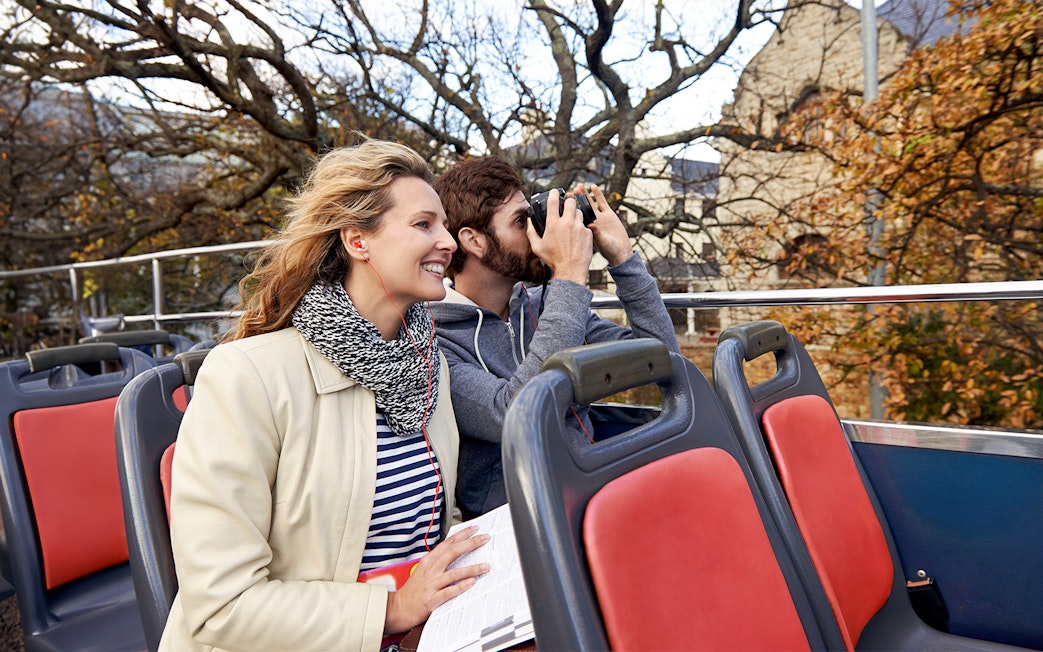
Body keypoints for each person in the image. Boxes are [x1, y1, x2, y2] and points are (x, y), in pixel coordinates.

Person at [161, 140, 490, 652]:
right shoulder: (246, 375)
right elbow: (222, 606)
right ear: (358, 241)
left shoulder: (429, 364)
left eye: (445, 225)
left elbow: (435, 528)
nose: (449, 242)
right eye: (424, 225)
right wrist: (396, 608)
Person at [431, 156, 681, 519]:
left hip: (595, 491)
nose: (538, 234)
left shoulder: (548, 304)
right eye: (521, 222)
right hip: (517, 522)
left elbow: (661, 360)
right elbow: (513, 414)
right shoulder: (438, 340)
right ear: (475, 241)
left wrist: (623, 259)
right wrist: (569, 275)